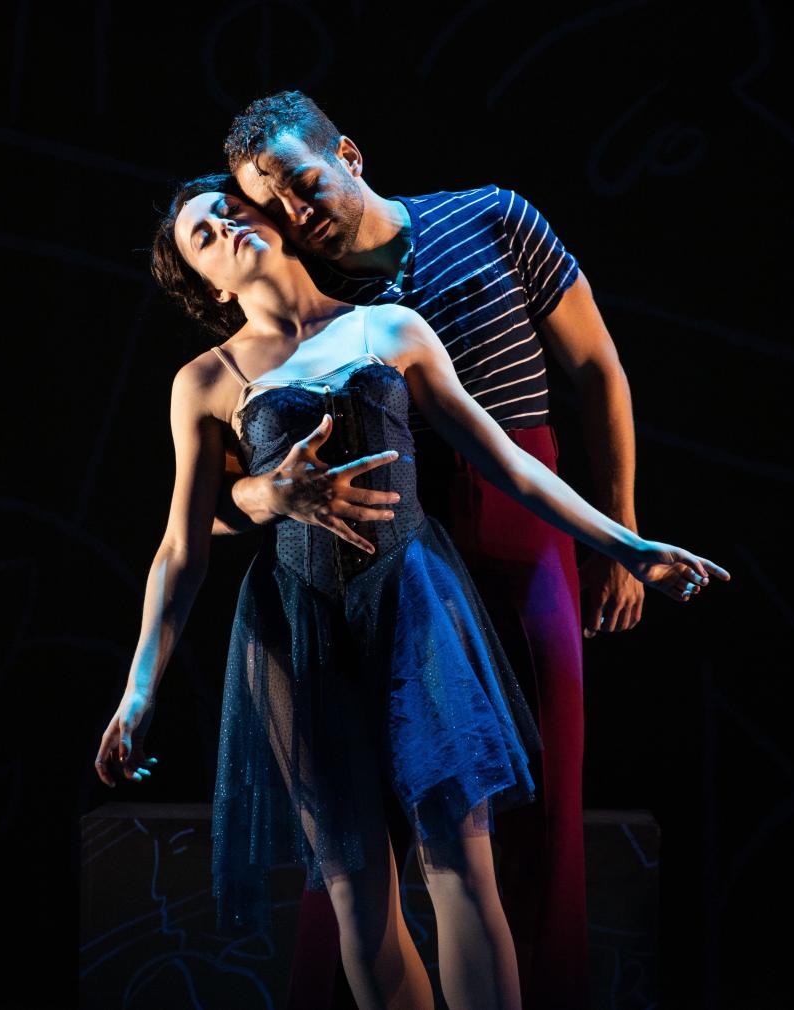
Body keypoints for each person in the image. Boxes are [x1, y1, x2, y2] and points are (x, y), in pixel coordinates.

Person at [94, 172, 729, 1010]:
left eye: (228, 211)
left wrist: (629, 543)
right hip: (300, 628)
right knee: (359, 900)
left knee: (464, 871)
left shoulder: (389, 325)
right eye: (202, 237)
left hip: (415, 609)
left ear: (272, 221)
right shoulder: (204, 382)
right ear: (206, 283)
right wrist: (139, 690)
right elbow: (183, 543)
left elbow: (509, 462)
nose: (224, 229)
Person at [214, 89, 641, 1010]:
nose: (296, 212)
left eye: (302, 181)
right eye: (271, 205)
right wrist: (263, 494)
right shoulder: (314, 309)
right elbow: (218, 498)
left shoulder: (490, 214)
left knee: (535, 815)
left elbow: (599, 366)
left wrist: (617, 533)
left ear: (350, 155)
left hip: (522, 528)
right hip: (379, 551)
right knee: (355, 851)